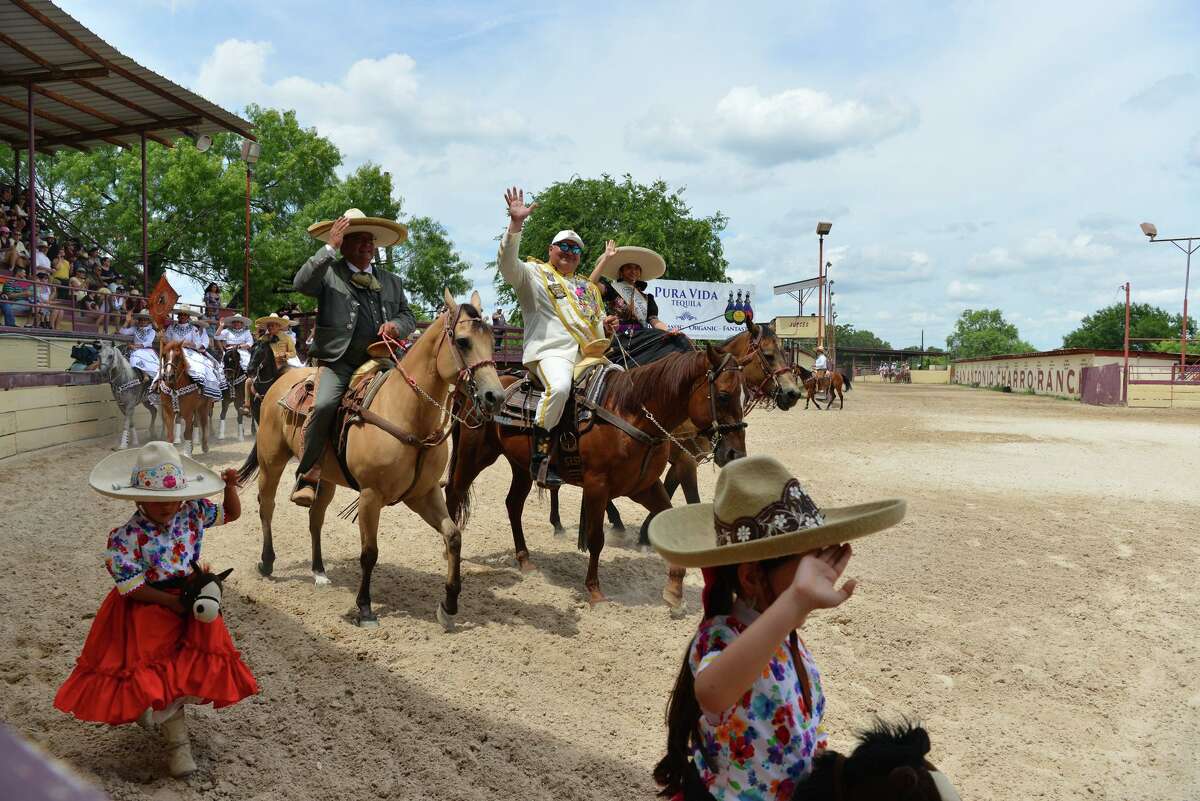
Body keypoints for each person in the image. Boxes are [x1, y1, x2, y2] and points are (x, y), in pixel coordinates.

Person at [647, 455, 906, 801]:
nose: (820, 579)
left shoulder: (782, 636)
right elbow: (711, 691)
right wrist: (796, 602)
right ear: (753, 577)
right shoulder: (722, 635)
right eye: (807, 569)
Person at [54, 441, 257, 779]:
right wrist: (170, 603)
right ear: (137, 497)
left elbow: (231, 514)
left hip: (190, 600)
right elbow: (130, 586)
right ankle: (178, 745)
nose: (169, 506)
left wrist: (232, 487)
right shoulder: (125, 537)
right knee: (156, 668)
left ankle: (167, 724)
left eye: (174, 498)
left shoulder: (192, 512)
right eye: (159, 500)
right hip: (148, 606)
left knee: (185, 669)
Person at [289, 208, 415, 506]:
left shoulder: (392, 281)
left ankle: (418, 469)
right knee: (323, 405)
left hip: (382, 359)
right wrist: (328, 248)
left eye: (370, 240)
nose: (366, 245)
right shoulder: (328, 273)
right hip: (340, 361)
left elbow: (407, 315)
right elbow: (301, 284)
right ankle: (308, 473)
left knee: (414, 395)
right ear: (342, 242)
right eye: (357, 239)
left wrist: (396, 326)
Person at [498, 186, 607, 488]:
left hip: (590, 355)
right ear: (551, 249)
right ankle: (542, 455)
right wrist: (515, 225)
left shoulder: (586, 288)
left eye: (576, 249)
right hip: (551, 353)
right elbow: (508, 267)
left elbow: (594, 324)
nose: (570, 253)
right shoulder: (533, 274)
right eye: (564, 247)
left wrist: (605, 328)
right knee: (559, 388)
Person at [589, 239, 690, 368]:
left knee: (679, 341)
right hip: (618, 337)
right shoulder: (612, 289)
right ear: (621, 271)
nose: (633, 271)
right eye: (629, 268)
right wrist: (607, 259)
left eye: (637, 268)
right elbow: (590, 284)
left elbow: (654, 321)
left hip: (642, 336)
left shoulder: (647, 298)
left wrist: (669, 330)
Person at [161, 307, 225, 400]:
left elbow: (198, 344)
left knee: (200, 365)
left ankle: (201, 385)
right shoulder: (171, 327)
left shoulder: (193, 328)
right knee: (164, 365)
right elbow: (167, 340)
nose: (182, 317)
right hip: (174, 351)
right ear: (178, 316)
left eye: (184, 315)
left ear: (188, 317)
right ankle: (157, 386)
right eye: (180, 315)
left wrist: (188, 344)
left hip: (189, 351)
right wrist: (163, 338)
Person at [119, 309, 160, 382]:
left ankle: (146, 375)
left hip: (147, 350)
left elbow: (148, 342)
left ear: (149, 321)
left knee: (137, 354)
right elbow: (122, 332)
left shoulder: (152, 331)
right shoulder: (135, 329)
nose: (143, 321)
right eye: (141, 320)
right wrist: (127, 321)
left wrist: (135, 346)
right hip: (135, 349)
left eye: (145, 320)